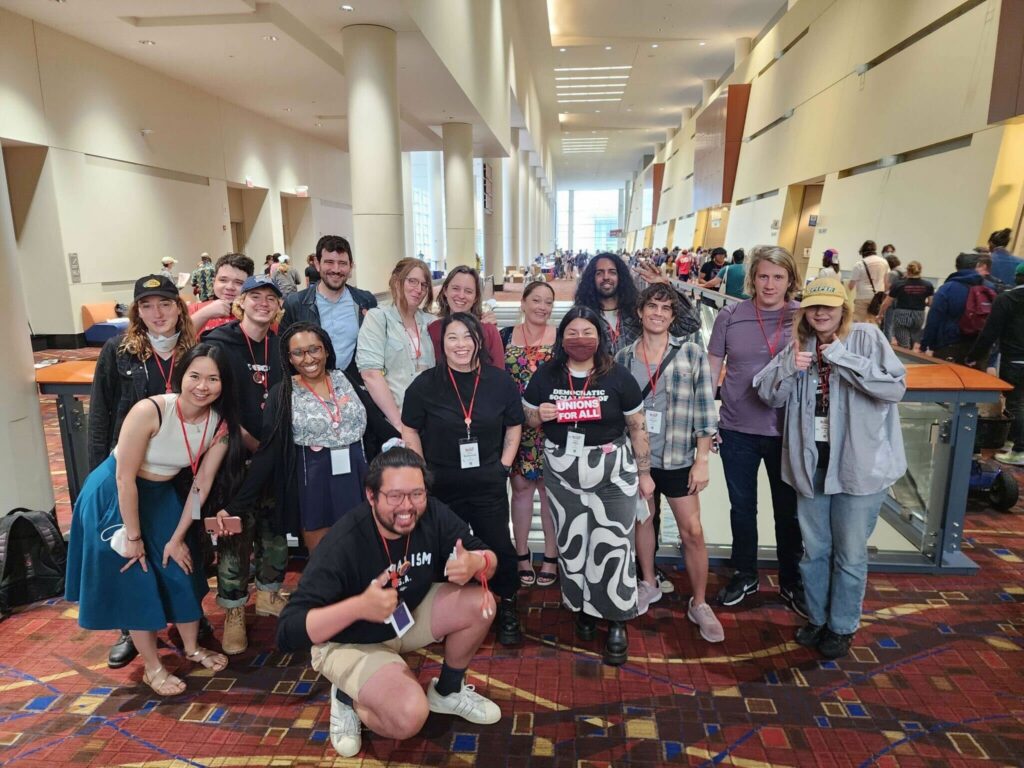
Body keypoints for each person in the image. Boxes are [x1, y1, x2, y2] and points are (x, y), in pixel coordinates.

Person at [276, 447, 503, 758]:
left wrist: (477, 563)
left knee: (482, 601)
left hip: (403, 618)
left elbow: (488, 556)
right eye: (395, 496)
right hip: (348, 642)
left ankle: (448, 690)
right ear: (371, 496)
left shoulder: (431, 513)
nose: (407, 507)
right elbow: (287, 632)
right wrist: (358, 607)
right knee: (408, 717)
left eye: (416, 494)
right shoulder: (344, 543)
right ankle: (347, 696)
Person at [66, 344, 246, 694]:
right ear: (182, 376)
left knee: (181, 565)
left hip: (162, 495)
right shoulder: (150, 410)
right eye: (195, 376)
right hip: (115, 491)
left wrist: (178, 536)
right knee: (137, 573)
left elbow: (202, 484)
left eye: (213, 378)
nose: (202, 386)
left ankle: (192, 647)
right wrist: (133, 536)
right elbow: (124, 478)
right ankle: (152, 667)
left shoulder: (220, 426)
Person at [753, 277, 907, 659]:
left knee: (851, 553)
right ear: (805, 310)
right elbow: (766, 392)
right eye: (814, 306)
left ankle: (842, 626)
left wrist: (842, 357)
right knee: (815, 550)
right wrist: (788, 367)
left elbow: (894, 388)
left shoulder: (867, 338)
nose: (821, 313)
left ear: (843, 307)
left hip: (858, 464)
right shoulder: (799, 345)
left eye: (829, 306)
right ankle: (818, 618)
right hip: (811, 463)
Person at [522, 306, 653, 665]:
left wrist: (644, 473)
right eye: (573, 333)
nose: (580, 340)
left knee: (613, 543)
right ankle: (582, 606)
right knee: (573, 541)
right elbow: (528, 416)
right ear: (562, 337)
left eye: (588, 333)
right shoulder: (546, 375)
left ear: (601, 337)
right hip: (563, 471)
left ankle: (616, 620)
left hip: (613, 470)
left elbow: (637, 426)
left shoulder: (618, 376)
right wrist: (542, 414)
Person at [88, 274, 201, 669]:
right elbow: (101, 415)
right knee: (130, 552)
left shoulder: (196, 350)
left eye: (166, 304)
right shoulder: (118, 351)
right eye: (148, 306)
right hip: (128, 471)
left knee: (181, 549)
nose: (158, 313)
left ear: (179, 307)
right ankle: (131, 629)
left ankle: (189, 617)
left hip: (177, 475)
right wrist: (96, 473)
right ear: (137, 312)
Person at [402, 312, 525, 645]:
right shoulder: (426, 384)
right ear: (442, 344)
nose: (460, 345)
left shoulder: (499, 382)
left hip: (487, 481)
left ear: (478, 342)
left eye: (467, 337)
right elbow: (409, 427)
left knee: (497, 544)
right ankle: (443, 612)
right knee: (442, 549)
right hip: (441, 484)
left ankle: (509, 604)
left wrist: (503, 464)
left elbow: (515, 424)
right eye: (452, 338)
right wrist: (420, 469)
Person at [616, 284, 724, 641]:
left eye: (665, 308)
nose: (658, 313)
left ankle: (699, 601)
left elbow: (706, 409)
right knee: (643, 523)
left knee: (691, 530)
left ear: (673, 316)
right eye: (652, 306)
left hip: (678, 457)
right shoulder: (624, 358)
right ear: (640, 311)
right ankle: (648, 582)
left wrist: (702, 459)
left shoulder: (691, 353)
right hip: (639, 460)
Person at [707, 245, 807, 617]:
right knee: (742, 508)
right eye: (763, 276)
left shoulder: (803, 317)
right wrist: (708, 422)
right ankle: (745, 572)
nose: (769, 284)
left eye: (778, 277)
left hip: (787, 432)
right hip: (737, 428)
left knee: (789, 511)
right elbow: (711, 370)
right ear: (752, 278)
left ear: (790, 281)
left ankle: (791, 579)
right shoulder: (731, 316)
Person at [220, 322, 368, 552]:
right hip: (314, 479)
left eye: (314, 349)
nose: (308, 359)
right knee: (324, 556)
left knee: (363, 547)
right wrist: (236, 506)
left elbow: (377, 423)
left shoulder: (344, 379)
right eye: (298, 353)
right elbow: (268, 450)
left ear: (326, 350)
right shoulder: (283, 392)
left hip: (356, 476)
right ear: (288, 358)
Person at [205, 275, 289, 654]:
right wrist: (247, 440)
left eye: (271, 298)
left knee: (274, 533)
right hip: (235, 456)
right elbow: (214, 400)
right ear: (241, 302)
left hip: (275, 457)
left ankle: (269, 594)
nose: (263, 303)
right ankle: (235, 610)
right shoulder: (220, 344)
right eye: (255, 297)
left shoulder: (282, 346)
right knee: (236, 537)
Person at [499, 281, 559, 589]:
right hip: (516, 427)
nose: (542, 307)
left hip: (553, 428)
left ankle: (551, 556)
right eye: (536, 300)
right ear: (522, 303)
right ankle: (521, 554)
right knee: (521, 490)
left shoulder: (561, 339)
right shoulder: (505, 336)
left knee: (550, 493)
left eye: (548, 302)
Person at [356, 258, 435, 436]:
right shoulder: (378, 318)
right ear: (397, 281)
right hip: (395, 422)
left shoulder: (430, 322)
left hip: (430, 422)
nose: (419, 289)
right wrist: (400, 426)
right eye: (412, 281)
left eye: (424, 285)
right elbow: (371, 375)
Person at [281, 235, 378, 373]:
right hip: (310, 385)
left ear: (351, 266)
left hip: (354, 384)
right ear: (317, 263)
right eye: (329, 262)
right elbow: (283, 351)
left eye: (343, 263)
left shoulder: (365, 301)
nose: (336, 269)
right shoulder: (295, 304)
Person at [575, 251, 696, 356]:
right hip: (600, 381)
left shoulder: (639, 310)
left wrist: (666, 286)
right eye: (599, 273)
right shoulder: (583, 315)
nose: (606, 277)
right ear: (592, 278)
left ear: (620, 276)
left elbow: (690, 324)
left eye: (612, 272)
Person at [968, 262, 1024, 465]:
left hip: (1015, 359)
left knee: (1015, 403)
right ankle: (1014, 440)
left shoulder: (1007, 299)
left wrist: (974, 355)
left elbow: (990, 332)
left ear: (1017, 278)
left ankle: (1020, 449)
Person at [919, 251, 991, 363]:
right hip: (976, 345)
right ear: (976, 266)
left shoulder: (948, 288)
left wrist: (925, 345)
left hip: (948, 344)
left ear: (957, 266)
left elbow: (934, 318)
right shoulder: (988, 288)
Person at [427, 265, 504, 367]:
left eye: (468, 291)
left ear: (476, 297)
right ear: (445, 291)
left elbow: (499, 375)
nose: (461, 296)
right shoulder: (434, 329)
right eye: (455, 288)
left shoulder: (488, 330)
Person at [189, 253, 255, 339]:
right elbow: (176, 343)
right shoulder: (194, 310)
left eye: (239, 282)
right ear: (214, 282)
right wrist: (205, 313)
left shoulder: (254, 314)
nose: (229, 287)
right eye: (223, 280)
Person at [879, 261, 933, 350]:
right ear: (920, 271)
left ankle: (904, 358)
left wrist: (880, 314)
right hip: (919, 315)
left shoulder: (899, 284)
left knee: (903, 345)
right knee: (913, 338)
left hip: (901, 315)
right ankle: (911, 355)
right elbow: (931, 303)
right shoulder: (928, 285)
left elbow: (886, 302)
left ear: (907, 271)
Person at [846, 240, 888, 323]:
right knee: (873, 323)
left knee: (859, 323)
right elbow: (886, 282)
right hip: (878, 298)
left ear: (863, 251)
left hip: (862, 297)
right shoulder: (884, 262)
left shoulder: (860, 264)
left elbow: (851, 286)